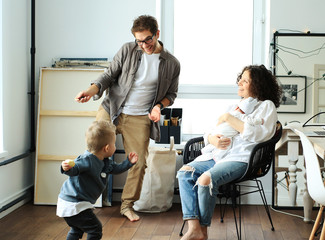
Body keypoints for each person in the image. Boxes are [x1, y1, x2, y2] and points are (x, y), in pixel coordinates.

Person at [74, 15, 180, 222]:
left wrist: (158, 107)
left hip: (140, 117)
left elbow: (172, 95)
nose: (143, 45)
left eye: (148, 39)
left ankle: (127, 205)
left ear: (157, 34)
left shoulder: (172, 63)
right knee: (93, 154)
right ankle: (81, 200)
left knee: (138, 163)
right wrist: (90, 91)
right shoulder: (128, 50)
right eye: (139, 41)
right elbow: (108, 75)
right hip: (113, 108)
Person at [177, 64, 281, 240]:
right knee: (184, 173)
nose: (239, 82)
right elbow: (209, 131)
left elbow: (259, 135)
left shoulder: (266, 106)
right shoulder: (234, 106)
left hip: (241, 159)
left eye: (245, 80)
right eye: (240, 79)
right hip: (216, 155)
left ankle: (202, 231)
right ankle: (194, 229)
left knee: (205, 180)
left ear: (257, 85)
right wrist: (212, 139)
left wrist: (228, 118)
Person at [56, 120, 138, 240]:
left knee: (77, 229)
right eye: (114, 144)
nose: (115, 146)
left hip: (74, 204)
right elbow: (75, 169)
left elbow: (116, 168)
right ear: (106, 148)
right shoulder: (87, 160)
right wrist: (66, 167)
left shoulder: (104, 161)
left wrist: (128, 163)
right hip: (74, 203)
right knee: (95, 229)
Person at [199, 97, 263, 162]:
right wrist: (259, 121)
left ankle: (205, 152)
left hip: (218, 131)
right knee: (225, 146)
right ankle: (217, 158)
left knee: (217, 144)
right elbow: (250, 120)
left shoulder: (230, 113)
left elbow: (214, 125)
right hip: (225, 134)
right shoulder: (241, 116)